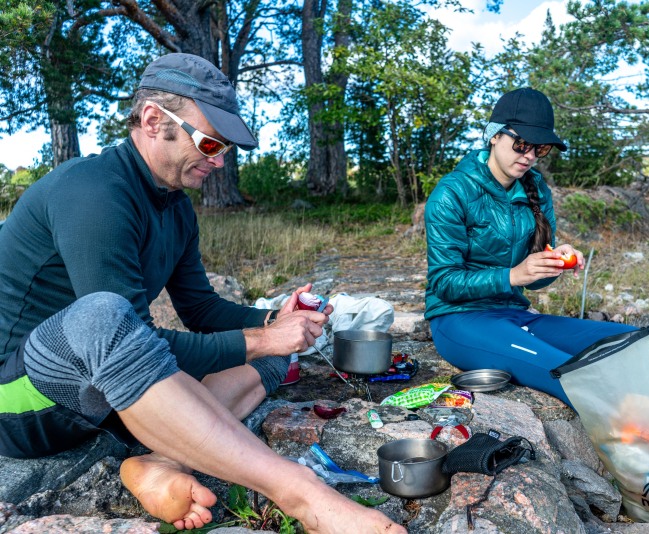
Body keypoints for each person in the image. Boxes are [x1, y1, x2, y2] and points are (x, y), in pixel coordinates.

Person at [0, 53, 406, 534]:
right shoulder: (92, 192)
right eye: (210, 141)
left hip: (102, 400)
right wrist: (261, 339)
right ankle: (302, 493)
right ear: (153, 121)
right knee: (105, 317)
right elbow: (112, 335)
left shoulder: (177, 209)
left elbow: (200, 309)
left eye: (227, 147)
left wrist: (274, 323)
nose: (219, 160)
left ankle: (160, 461)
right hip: (20, 401)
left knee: (277, 362)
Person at [424, 87, 649, 470]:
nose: (530, 156)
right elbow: (444, 281)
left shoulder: (535, 189)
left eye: (540, 149)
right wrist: (513, 274)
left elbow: (535, 284)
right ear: (494, 134)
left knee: (627, 343)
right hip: (458, 321)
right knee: (574, 372)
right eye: (521, 144)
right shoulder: (452, 193)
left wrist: (551, 265)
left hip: (515, 315)